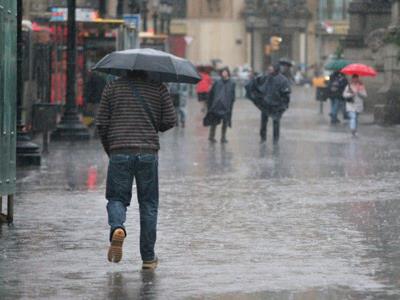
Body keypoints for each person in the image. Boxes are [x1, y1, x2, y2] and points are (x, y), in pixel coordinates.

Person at [96, 70, 176, 270]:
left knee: (116, 198)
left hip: (119, 151)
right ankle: (148, 259)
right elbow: (170, 120)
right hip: (147, 152)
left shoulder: (112, 88)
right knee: (148, 204)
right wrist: (151, 123)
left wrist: (110, 148)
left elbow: (101, 123)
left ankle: (117, 227)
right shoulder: (158, 88)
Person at [258, 64, 291, 144]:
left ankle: (275, 139)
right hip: (266, 104)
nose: (269, 70)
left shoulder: (283, 80)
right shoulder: (266, 78)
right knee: (263, 122)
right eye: (269, 69)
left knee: (276, 122)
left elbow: (286, 93)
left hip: (276, 105)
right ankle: (263, 138)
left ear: (275, 69)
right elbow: (261, 88)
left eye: (271, 69)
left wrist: (283, 104)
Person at [203, 67, 236, 143]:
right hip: (217, 105)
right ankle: (211, 137)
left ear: (228, 73)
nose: (224, 73)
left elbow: (232, 94)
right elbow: (212, 93)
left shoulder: (232, 83)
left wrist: (231, 103)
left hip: (226, 106)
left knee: (225, 122)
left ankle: (223, 137)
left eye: (225, 72)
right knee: (214, 122)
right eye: (223, 72)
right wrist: (211, 103)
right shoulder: (217, 82)